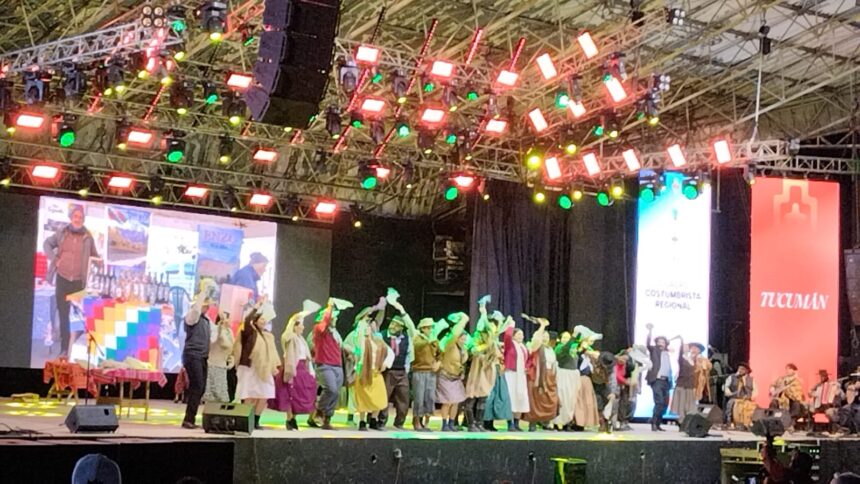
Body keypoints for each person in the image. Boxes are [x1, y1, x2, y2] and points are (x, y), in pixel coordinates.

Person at [43, 204, 100, 357]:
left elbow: (95, 256)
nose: (78, 219)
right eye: (75, 216)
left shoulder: (88, 237)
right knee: (63, 315)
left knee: (79, 317)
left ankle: (76, 350)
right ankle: (64, 349)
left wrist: (100, 263)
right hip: (62, 280)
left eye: (80, 217)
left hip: (78, 283)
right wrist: (54, 259)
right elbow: (47, 244)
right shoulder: (62, 232)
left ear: (83, 219)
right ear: (70, 217)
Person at [269, 304, 318, 430]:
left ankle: (293, 418)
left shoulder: (301, 340)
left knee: (299, 395)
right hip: (292, 368)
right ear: (295, 326)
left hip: (302, 369)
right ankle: (289, 419)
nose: (303, 327)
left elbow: (306, 357)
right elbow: (286, 336)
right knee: (290, 394)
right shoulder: (290, 337)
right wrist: (297, 317)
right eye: (301, 324)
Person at [233, 304, 280, 429]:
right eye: (261, 319)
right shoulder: (249, 332)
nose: (264, 321)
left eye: (265, 320)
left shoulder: (267, 335)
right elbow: (247, 320)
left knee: (265, 394)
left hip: (264, 369)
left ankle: (256, 420)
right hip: (249, 367)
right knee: (249, 394)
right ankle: (246, 420)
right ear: (255, 320)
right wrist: (255, 308)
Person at [181, 279, 216, 429]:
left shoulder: (207, 321)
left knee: (200, 387)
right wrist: (203, 292)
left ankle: (190, 418)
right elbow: (196, 310)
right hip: (192, 355)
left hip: (202, 356)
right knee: (197, 385)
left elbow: (214, 336)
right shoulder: (191, 317)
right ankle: (188, 419)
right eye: (204, 304)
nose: (206, 307)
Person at [308, 299, 348, 430]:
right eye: (333, 317)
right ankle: (319, 410)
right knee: (331, 389)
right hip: (325, 365)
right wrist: (330, 307)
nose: (335, 319)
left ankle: (327, 419)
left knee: (335, 394)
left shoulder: (335, 333)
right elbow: (324, 323)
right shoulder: (319, 330)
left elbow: (340, 348)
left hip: (337, 366)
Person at [353, 307, 394, 431]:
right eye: (366, 325)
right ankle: (362, 421)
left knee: (380, 397)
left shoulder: (378, 341)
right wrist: (372, 309)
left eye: (369, 326)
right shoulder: (361, 340)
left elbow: (390, 353)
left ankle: (373, 419)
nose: (368, 328)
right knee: (363, 398)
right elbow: (360, 324)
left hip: (376, 372)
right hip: (364, 372)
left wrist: (385, 364)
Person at [379, 294, 415, 430]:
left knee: (404, 398)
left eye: (397, 325)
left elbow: (412, 328)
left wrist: (401, 310)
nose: (393, 326)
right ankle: (381, 421)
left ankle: (399, 422)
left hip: (401, 372)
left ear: (402, 328)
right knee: (384, 397)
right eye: (392, 323)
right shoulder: (382, 335)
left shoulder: (407, 338)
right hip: (387, 372)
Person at [436, 313, 470, 431]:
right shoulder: (450, 345)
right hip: (445, 376)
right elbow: (455, 333)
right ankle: (444, 424)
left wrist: (462, 370)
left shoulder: (463, 349)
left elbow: (461, 363)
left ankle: (451, 423)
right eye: (462, 338)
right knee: (448, 402)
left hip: (456, 378)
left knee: (456, 402)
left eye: (465, 339)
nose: (464, 340)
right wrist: (464, 319)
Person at [522, 318, 557, 432]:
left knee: (548, 400)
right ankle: (532, 422)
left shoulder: (551, 350)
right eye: (543, 336)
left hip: (549, 377)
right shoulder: (536, 347)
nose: (545, 338)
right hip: (537, 376)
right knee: (535, 399)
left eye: (547, 337)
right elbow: (536, 339)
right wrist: (542, 326)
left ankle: (545, 422)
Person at [411, 317, 441, 431]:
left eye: (431, 327)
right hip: (419, 371)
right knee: (419, 397)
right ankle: (416, 420)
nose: (430, 330)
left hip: (431, 372)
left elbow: (440, 354)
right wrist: (429, 340)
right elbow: (417, 346)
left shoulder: (434, 340)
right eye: (428, 328)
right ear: (422, 328)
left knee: (430, 397)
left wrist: (438, 363)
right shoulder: (417, 338)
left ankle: (426, 422)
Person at [501, 320, 531, 431]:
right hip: (511, 375)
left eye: (522, 335)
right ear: (513, 336)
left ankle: (517, 423)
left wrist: (527, 367)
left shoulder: (523, 347)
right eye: (518, 334)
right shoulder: (510, 345)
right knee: (511, 398)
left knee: (520, 398)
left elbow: (528, 360)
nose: (521, 336)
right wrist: (511, 326)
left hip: (521, 375)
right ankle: (510, 423)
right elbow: (507, 336)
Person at [551, 331, 581, 430]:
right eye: (564, 337)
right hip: (564, 375)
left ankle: (567, 422)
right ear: (560, 339)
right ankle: (557, 422)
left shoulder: (572, 349)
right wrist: (573, 337)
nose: (566, 340)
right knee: (563, 398)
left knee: (571, 400)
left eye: (568, 338)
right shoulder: (560, 348)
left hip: (572, 376)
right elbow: (566, 348)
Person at [573, 325, 601, 429]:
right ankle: (577, 422)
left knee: (587, 401)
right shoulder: (577, 349)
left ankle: (585, 422)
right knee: (578, 401)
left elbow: (596, 355)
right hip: (578, 378)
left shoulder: (588, 350)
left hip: (586, 378)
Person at [645, 323, 672, 431]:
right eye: (659, 342)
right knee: (659, 401)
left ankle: (658, 423)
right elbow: (648, 344)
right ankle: (654, 423)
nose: (661, 344)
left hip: (666, 381)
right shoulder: (654, 350)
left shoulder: (667, 353)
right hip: (657, 380)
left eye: (663, 342)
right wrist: (650, 331)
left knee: (665, 404)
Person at [202, 311, 234, 403]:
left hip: (222, 366)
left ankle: (218, 412)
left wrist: (231, 360)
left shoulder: (229, 332)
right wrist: (221, 327)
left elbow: (231, 349)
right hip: (213, 365)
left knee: (222, 395)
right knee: (213, 395)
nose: (229, 320)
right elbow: (222, 342)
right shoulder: (216, 331)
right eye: (227, 318)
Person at [670, 337, 698, 425]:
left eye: (687, 346)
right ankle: (681, 422)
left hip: (690, 385)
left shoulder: (692, 359)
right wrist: (681, 340)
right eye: (684, 347)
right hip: (682, 385)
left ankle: (687, 422)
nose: (686, 348)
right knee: (681, 406)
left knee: (689, 406)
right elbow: (679, 354)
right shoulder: (681, 359)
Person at [724, 362, 757, 429]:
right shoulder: (732, 377)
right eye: (739, 368)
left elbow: (755, 390)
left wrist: (751, 397)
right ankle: (729, 421)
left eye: (742, 369)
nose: (740, 370)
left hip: (747, 399)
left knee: (751, 407)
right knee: (730, 403)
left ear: (746, 371)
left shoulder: (751, 379)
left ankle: (748, 423)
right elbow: (726, 387)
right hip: (735, 398)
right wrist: (729, 393)